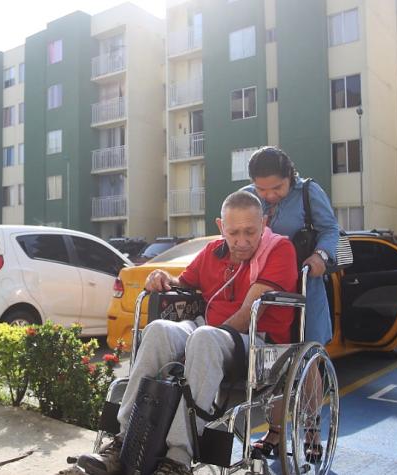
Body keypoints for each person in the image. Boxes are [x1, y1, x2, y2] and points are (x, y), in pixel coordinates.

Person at [71, 191, 298, 475]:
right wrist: (163, 279)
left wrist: (201, 339)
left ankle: (178, 457)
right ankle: (122, 442)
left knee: (204, 338)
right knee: (158, 331)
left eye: (250, 231)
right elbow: (185, 282)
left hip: (255, 339)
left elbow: (247, 313)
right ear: (220, 227)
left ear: (263, 223)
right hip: (207, 331)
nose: (241, 241)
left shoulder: (279, 249)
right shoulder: (213, 251)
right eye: (234, 232)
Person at [240, 146, 339, 454]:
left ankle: (311, 432)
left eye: (277, 188)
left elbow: (330, 230)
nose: (269, 195)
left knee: (306, 361)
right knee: (271, 366)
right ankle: (274, 432)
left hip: (305, 290)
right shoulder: (247, 198)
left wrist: (321, 256)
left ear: (290, 177)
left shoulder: (309, 192)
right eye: (262, 189)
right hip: (266, 292)